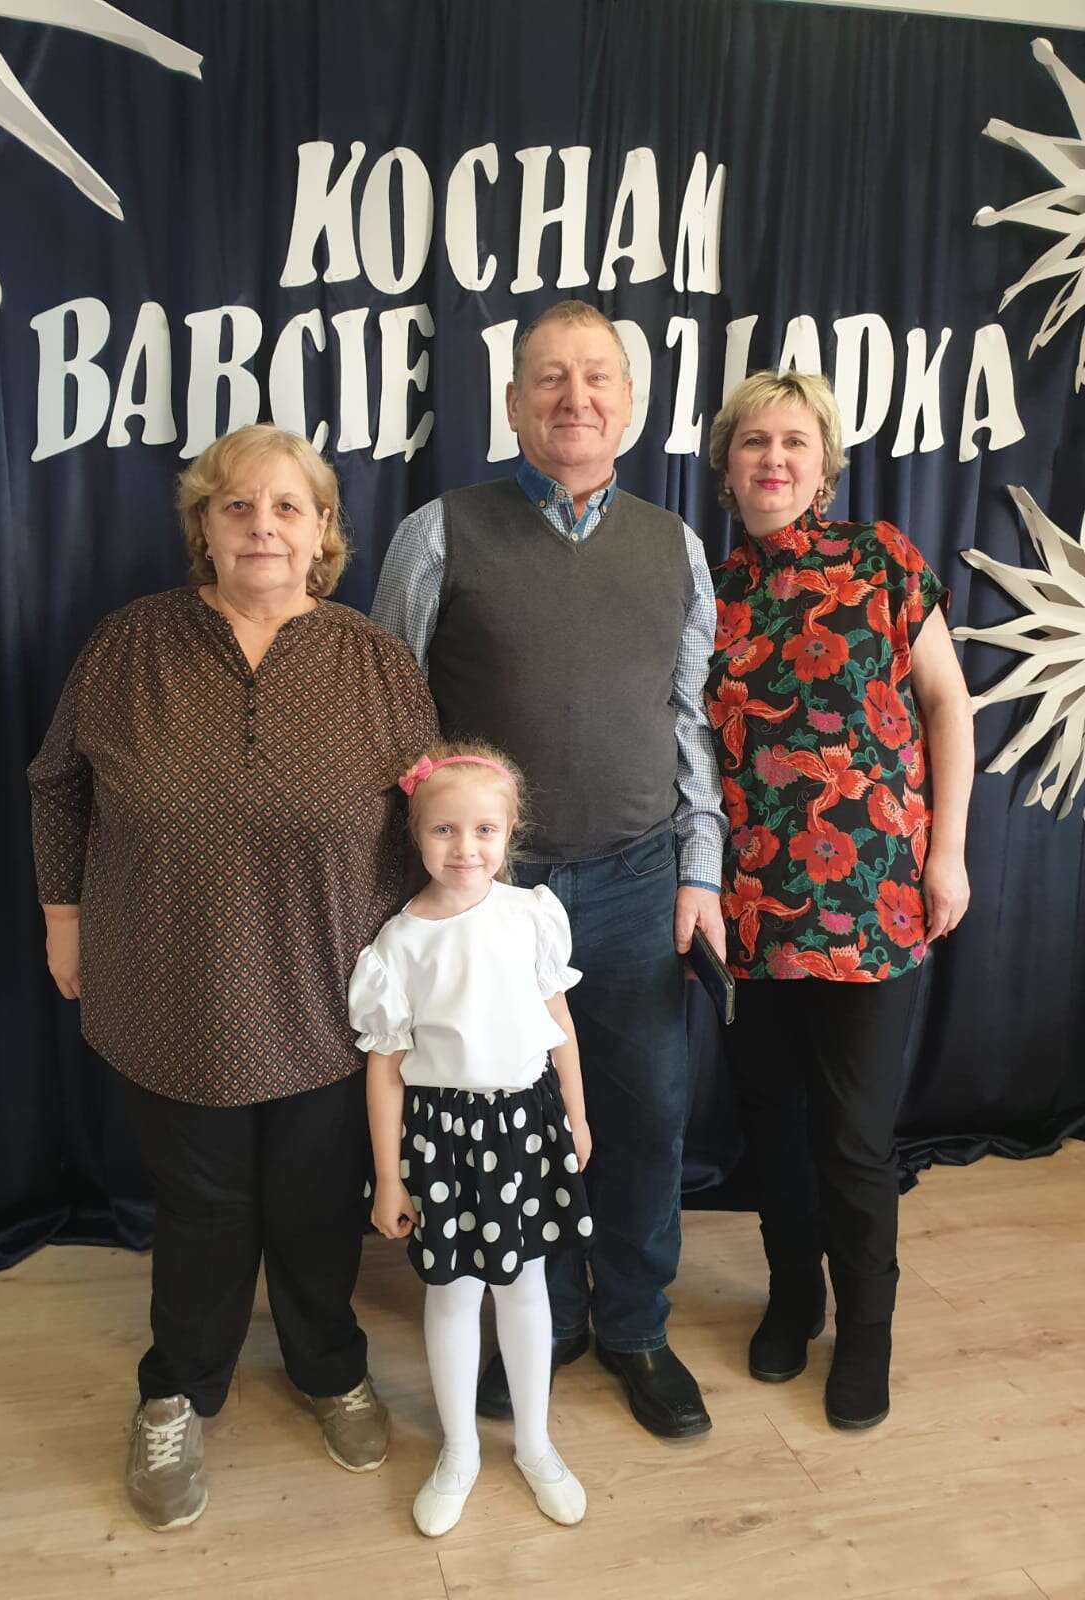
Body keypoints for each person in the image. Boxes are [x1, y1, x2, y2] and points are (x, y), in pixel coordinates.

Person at [28, 424, 438, 1531]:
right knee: (201, 1209)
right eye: (238, 507)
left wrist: (441, 956)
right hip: (171, 983)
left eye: (288, 507)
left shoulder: (374, 660)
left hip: (331, 989)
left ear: (323, 531)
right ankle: (177, 1388)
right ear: (203, 527)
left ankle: (329, 1368)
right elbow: (58, 783)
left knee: (314, 1203)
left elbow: (431, 812)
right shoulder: (130, 644)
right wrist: (63, 917)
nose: (264, 527)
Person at [372, 300, 726, 1440]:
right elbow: (391, 717)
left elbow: (690, 722)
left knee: (645, 1113)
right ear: (514, 401)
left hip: (634, 883)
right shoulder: (440, 532)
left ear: (631, 404)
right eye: (551, 378)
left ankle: (634, 1326)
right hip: (487, 898)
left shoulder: (675, 545)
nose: (576, 398)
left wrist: (700, 871)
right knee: (502, 1117)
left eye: (598, 377)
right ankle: (548, 1314)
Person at [705, 370, 974, 1429]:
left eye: (794, 442)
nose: (773, 458)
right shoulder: (708, 593)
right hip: (751, 905)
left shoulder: (883, 559)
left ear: (823, 465)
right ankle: (792, 1295)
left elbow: (947, 706)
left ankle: (867, 1330)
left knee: (854, 1138)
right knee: (771, 1123)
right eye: (754, 442)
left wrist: (948, 854)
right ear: (726, 467)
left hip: (875, 900)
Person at [349, 742, 592, 1536]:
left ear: (510, 832)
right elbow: (386, 1070)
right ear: (416, 834)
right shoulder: (398, 944)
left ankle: (535, 1444)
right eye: (445, 830)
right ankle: (459, 1451)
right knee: (451, 1293)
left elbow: (559, 1023)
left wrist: (577, 1115)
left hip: (525, 1125)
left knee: (525, 1285)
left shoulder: (530, 916)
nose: (465, 848)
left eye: (485, 829)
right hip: (442, 1140)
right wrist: (390, 1177)